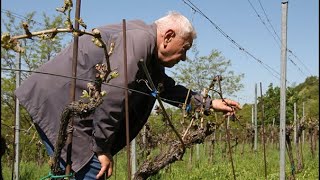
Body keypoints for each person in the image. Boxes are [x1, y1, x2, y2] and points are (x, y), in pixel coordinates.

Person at [15, 11, 241, 179]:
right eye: (185, 48)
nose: (184, 58)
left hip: (62, 102)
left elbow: (166, 88)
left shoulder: (148, 52)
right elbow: (114, 95)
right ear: (168, 36)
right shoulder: (139, 41)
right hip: (56, 102)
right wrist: (101, 148)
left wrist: (209, 103)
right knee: (94, 171)